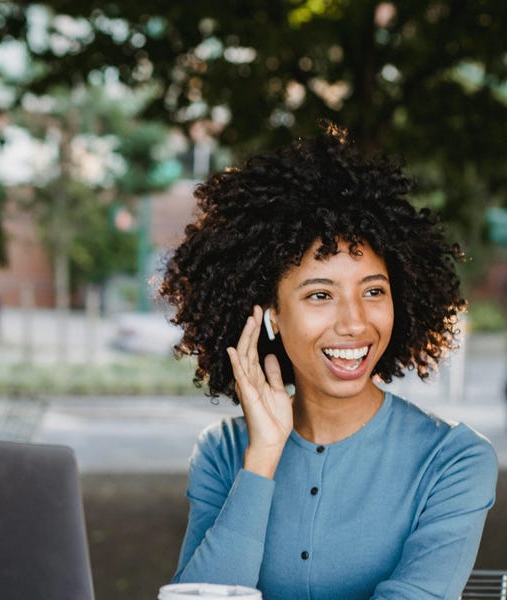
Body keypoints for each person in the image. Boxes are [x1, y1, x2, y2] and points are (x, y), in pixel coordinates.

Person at [158, 123, 498, 600]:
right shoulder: (223, 452)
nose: (355, 323)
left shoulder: (454, 461)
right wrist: (262, 458)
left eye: (373, 291)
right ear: (272, 313)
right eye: (321, 294)